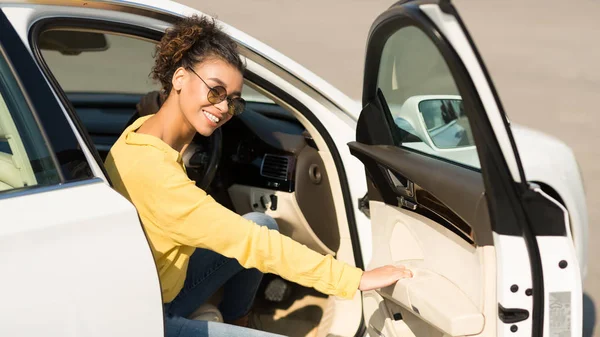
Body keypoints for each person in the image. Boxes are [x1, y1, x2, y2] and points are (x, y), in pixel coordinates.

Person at [104, 14, 412, 337]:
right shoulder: (158, 176)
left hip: (157, 284)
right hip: (151, 318)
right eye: (215, 91)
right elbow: (253, 245)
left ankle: (240, 321)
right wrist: (355, 279)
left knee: (261, 221)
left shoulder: (140, 132)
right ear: (180, 78)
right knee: (256, 237)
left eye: (234, 102)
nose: (223, 108)